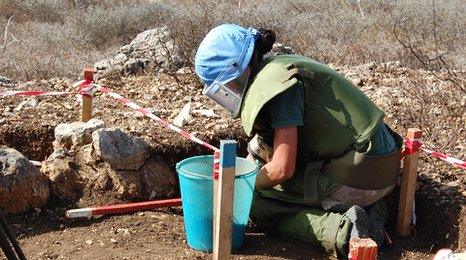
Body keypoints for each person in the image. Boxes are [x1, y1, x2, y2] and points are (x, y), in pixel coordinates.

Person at [194, 23, 402, 258]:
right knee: (256, 189)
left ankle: (343, 230)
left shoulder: (276, 88)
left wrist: (238, 188)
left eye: (225, 84)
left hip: (363, 178)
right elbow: (265, 144)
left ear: (239, 71)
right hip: (381, 165)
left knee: (252, 205)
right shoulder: (279, 67)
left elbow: (282, 169)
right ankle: (370, 210)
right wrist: (244, 170)